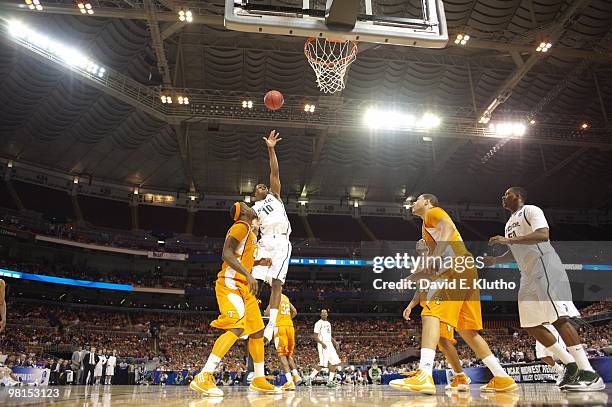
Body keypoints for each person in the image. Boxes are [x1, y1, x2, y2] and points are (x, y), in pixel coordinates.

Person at [391, 194, 517, 394]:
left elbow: (448, 230)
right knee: (468, 331)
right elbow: (432, 268)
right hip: (465, 268)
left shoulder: (432, 212)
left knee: (430, 314)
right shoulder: (427, 231)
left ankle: (424, 375)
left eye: (416, 200)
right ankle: (501, 377)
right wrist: (410, 279)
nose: (413, 203)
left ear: (427, 202)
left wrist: (436, 257)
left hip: (456, 268)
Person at [486, 187, 604, 391]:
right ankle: (570, 364)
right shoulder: (508, 224)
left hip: (545, 266)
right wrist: (496, 260)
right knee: (530, 324)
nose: (503, 197)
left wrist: (509, 240)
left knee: (558, 318)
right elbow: (515, 251)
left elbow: (542, 234)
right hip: (527, 275)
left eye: (507, 194)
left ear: (519, 196)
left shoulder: (531, 210)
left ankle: (589, 373)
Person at [190, 202, 281, 397]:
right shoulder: (241, 226)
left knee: (257, 331)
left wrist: (258, 263)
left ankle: (258, 379)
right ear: (243, 212)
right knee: (237, 326)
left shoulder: (251, 233)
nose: (251, 207)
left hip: (244, 288)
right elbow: (226, 253)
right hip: (231, 283)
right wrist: (248, 275)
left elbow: (241, 257)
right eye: (247, 206)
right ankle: (204, 376)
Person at [403, 239, 472, 392]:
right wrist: (410, 305)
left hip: (441, 301)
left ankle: (425, 374)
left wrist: (424, 255)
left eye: (423, 242)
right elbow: (421, 287)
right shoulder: (420, 262)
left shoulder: (438, 257)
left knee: (444, 342)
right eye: (418, 243)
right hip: (430, 303)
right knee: (444, 343)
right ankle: (460, 377)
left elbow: (432, 274)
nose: (419, 243)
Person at [252, 130, 292, 343]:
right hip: (265, 241)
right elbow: (253, 230)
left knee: (277, 283)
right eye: (259, 186)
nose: (263, 186)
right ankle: (251, 316)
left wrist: (271, 149)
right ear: (254, 193)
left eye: (264, 185)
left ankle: (271, 326)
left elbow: (274, 172)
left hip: (282, 241)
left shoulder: (275, 196)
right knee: (255, 280)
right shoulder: (253, 209)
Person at [265, 293, 302, 390]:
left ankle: (289, 382)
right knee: (288, 355)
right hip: (290, 326)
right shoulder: (285, 297)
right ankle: (296, 375)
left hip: (280, 327)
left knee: (281, 355)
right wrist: (287, 319)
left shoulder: (274, 296)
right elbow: (294, 311)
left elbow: (267, 313)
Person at [307, 309, 341, 388]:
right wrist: (321, 343)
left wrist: (335, 342)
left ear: (327, 314)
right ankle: (310, 378)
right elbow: (315, 336)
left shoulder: (328, 323)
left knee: (334, 362)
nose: (324, 314)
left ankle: (330, 381)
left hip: (329, 344)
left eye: (325, 313)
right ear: (321, 315)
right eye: (322, 313)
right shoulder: (318, 323)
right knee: (323, 364)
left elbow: (329, 335)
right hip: (323, 344)